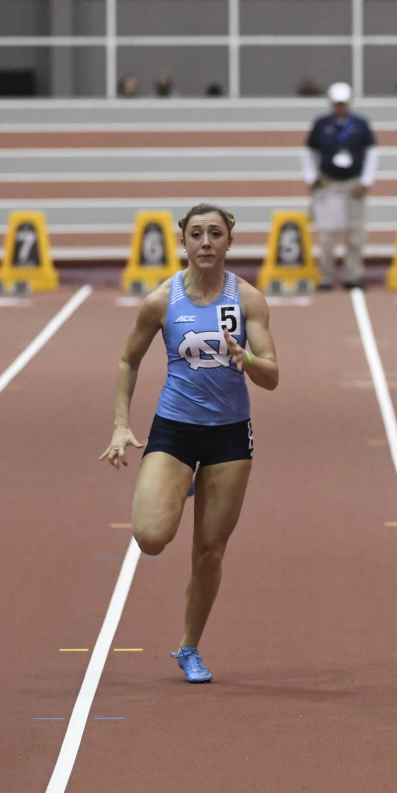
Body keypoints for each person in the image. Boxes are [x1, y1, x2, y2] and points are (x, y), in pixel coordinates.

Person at [100, 203, 280, 682]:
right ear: (183, 241)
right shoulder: (162, 300)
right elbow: (126, 360)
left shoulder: (249, 300)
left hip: (228, 436)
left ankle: (189, 647)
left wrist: (248, 360)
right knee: (152, 538)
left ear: (228, 243)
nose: (206, 242)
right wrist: (121, 423)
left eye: (215, 234)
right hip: (175, 429)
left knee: (209, 552)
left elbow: (273, 376)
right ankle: (183, 483)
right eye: (196, 234)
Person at [302, 81, 378, 290]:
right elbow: (309, 152)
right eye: (336, 103)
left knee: (356, 233)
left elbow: (371, 153)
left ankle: (353, 275)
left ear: (349, 103)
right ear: (331, 103)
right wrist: (311, 178)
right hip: (328, 183)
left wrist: (366, 181)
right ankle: (326, 276)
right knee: (327, 234)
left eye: (343, 103)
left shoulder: (361, 124)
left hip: (353, 183)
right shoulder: (321, 124)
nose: (340, 107)